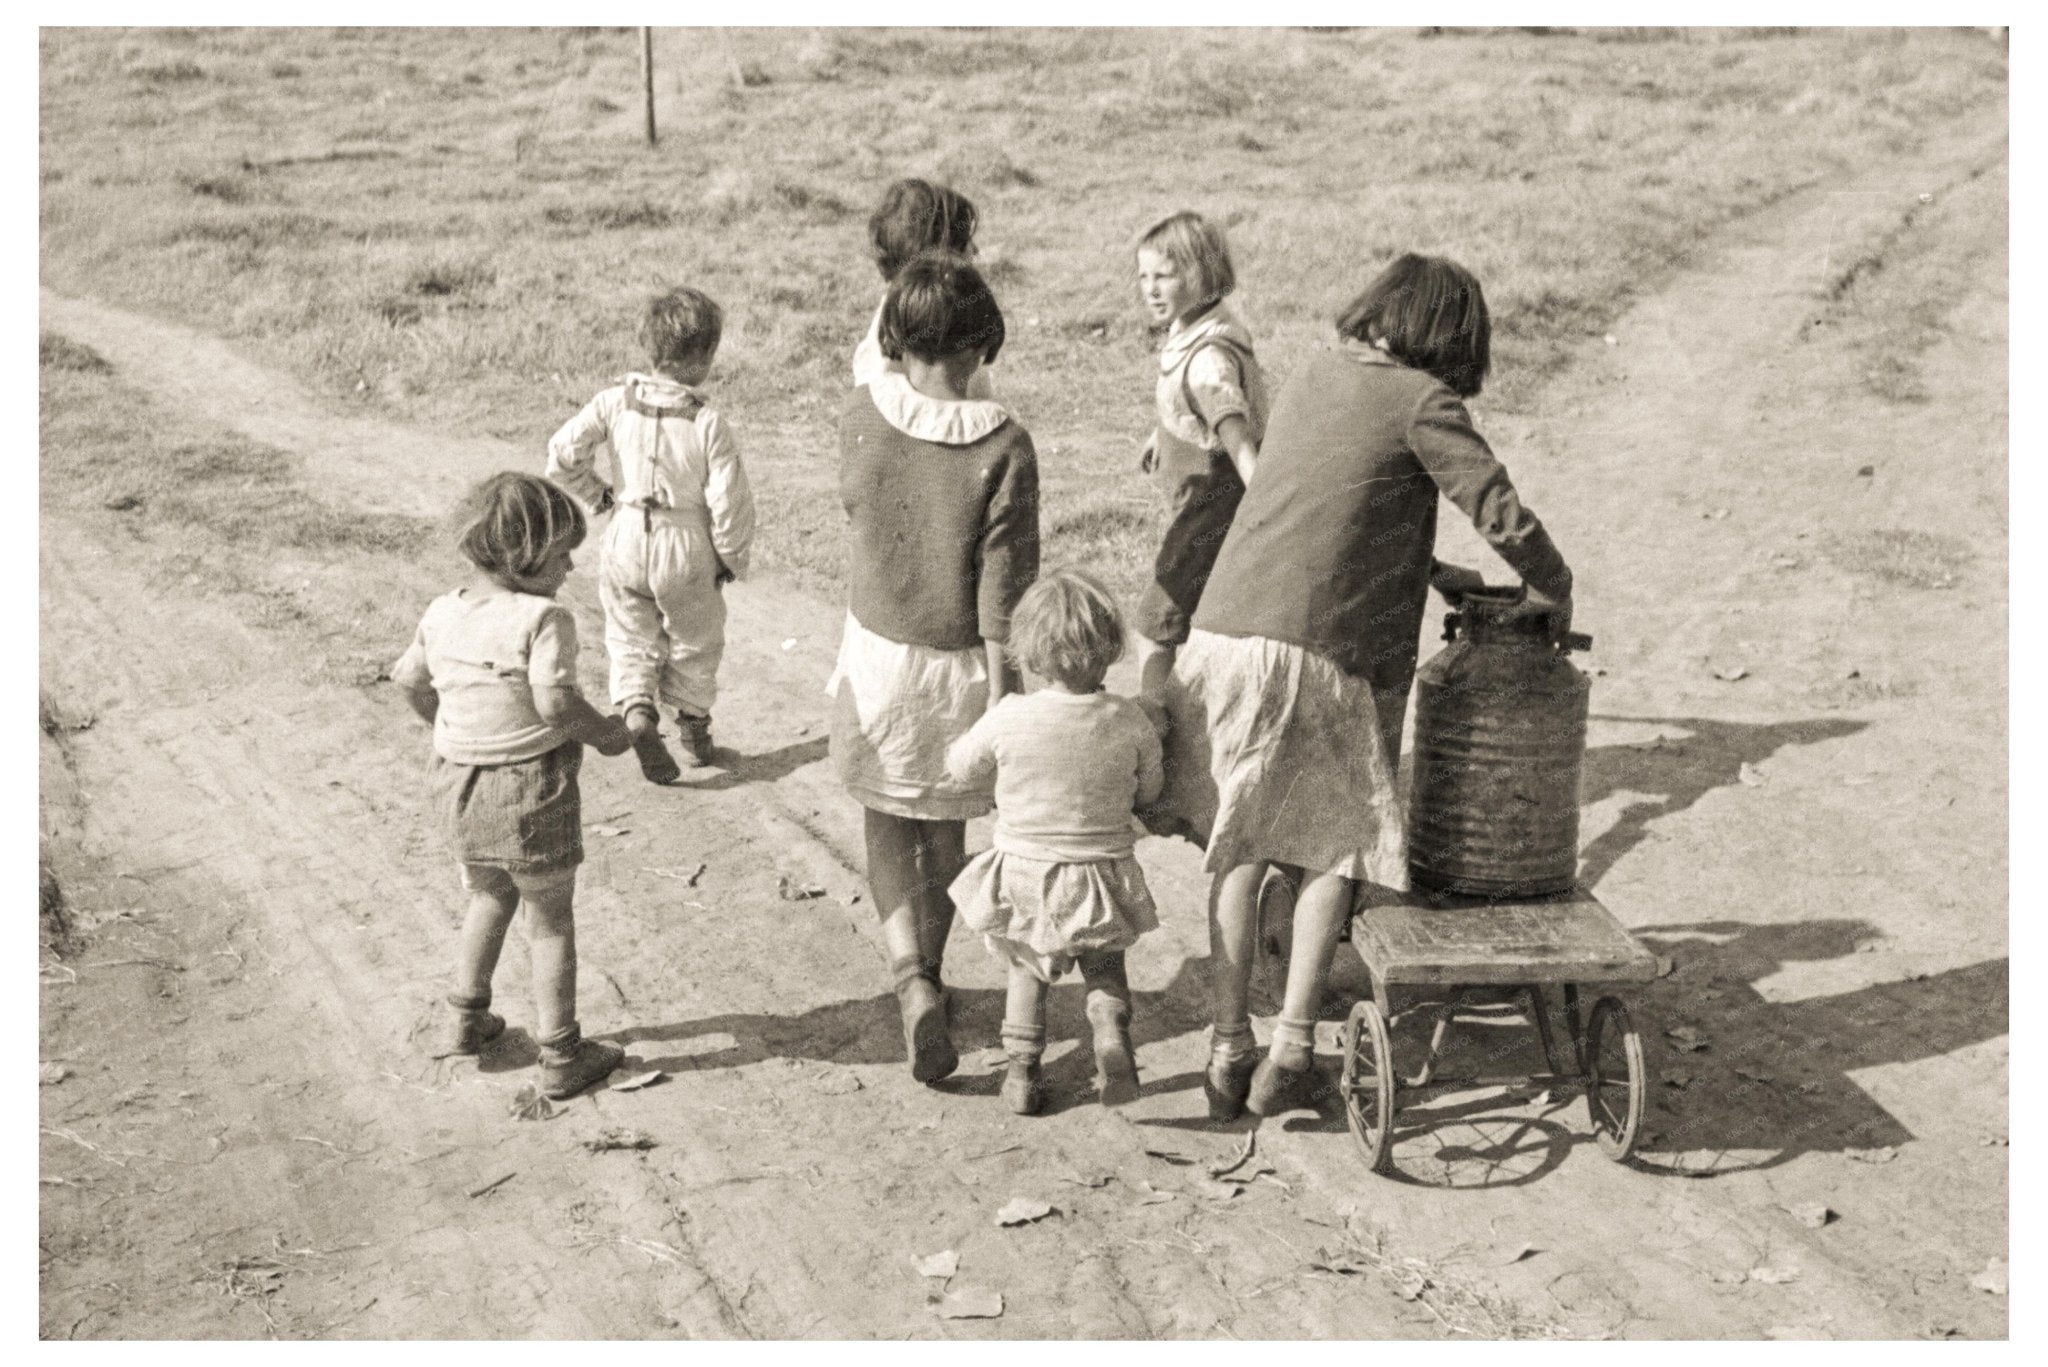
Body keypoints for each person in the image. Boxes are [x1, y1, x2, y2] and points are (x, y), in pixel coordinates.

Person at [1159, 253, 1575, 1120]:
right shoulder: (1423, 399)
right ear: (1449, 339)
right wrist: (1553, 584)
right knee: (1330, 849)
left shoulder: (1317, 373)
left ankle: (1228, 1045)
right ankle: (1294, 1044)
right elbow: (1495, 503)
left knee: (1240, 847)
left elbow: (1324, 513)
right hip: (1320, 656)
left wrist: (1430, 571)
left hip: (1226, 634)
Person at [830, 252, 1039, 1084]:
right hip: (960, 667)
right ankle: (938, 972)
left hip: (878, 658)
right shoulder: (1006, 443)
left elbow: (854, 506)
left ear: (896, 335)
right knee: (946, 826)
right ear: (983, 341)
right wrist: (1005, 688)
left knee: (886, 819)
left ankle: (908, 975)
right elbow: (1005, 585)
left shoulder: (860, 414)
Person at [391, 472, 635, 1100]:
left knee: (488, 897)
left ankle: (465, 1018)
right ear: (523, 557)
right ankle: (561, 1054)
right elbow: (554, 703)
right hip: (529, 789)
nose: (571, 565)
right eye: (561, 554)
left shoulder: (442, 610)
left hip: (457, 786)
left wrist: (453, 729)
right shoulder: (542, 617)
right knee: (550, 919)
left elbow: (409, 681)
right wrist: (605, 734)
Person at [945, 570, 1164, 1115]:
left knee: (1026, 969)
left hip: (1027, 873)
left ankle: (1021, 1073)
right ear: (1108, 650)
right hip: (1100, 873)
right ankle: (1110, 1026)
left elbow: (960, 770)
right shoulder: (1127, 718)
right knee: (1105, 966)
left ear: (1030, 654)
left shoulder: (1011, 717)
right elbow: (1151, 788)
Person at [546, 286, 756, 781]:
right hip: (685, 543)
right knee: (695, 637)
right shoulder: (707, 421)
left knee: (629, 632)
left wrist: (598, 494)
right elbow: (730, 501)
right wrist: (728, 557)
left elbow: (562, 454)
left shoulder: (614, 402)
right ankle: (694, 726)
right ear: (705, 355)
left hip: (625, 534)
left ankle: (639, 710)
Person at [1131, 210, 1270, 702]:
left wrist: (1264, 504)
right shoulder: (1198, 325)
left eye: (1164, 276)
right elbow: (1183, 394)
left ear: (1200, 275)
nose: (1150, 289)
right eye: (1143, 276)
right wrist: (1161, 433)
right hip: (1196, 500)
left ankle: (1155, 721)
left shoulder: (1209, 360)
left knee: (1155, 623)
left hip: (1209, 506)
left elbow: (1235, 435)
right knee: (1200, 615)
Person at [851, 177, 995, 399]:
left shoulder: (941, 318)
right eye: (965, 243)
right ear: (939, 262)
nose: (975, 252)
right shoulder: (887, 353)